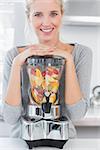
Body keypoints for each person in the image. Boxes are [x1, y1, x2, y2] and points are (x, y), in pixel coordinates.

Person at [2, 0, 92, 138]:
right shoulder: (14, 56)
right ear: (29, 17)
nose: (46, 22)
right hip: (21, 143)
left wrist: (67, 59)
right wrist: (17, 63)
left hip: (66, 142)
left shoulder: (80, 54)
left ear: (61, 15)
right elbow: (10, 118)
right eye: (38, 14)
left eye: (53, 14)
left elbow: (76, 114)